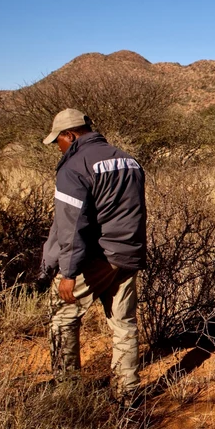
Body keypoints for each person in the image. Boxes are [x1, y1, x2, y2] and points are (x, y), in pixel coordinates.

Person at [37, 108, 147, 403]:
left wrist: (67, 272)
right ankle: (128, 394)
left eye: (58, 141)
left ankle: (66, 389)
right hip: (128, 254)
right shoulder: (128, 160)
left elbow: (71, 225)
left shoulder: (74, 167)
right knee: (124, 325)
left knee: (62, 318)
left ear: (69, 135)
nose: (57, 148)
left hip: (97, 257)